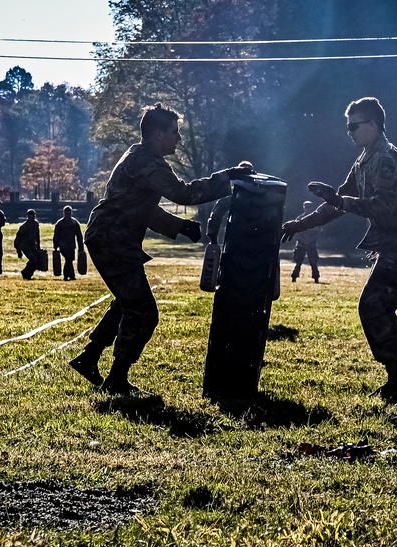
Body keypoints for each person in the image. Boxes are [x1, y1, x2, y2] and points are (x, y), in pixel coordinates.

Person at [69, 102, 251, 394]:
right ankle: (116, 380)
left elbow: (142, 209)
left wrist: (180, 227)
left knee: (127, 301)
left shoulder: (139, 156)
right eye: (174, 132)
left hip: (111, 238)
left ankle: (90, 357)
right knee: (143, 312)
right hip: (112, 241)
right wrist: (227, 178)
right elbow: (183, 192)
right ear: (157, 135)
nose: (178, 138)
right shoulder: (147, 163)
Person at [281, 97, 397, 403]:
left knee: (373, 305)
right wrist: (299, 225)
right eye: (347, 127)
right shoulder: (365, 159)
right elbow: (338, 203)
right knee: (375, 306)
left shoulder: (386, 159)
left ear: (372, 125)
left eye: (354, 126)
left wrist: (339, 201)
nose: (349, 132)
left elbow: (382, 207)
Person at [289, 200, 321, 283]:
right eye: (306, 207)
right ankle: (294, 276)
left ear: (311, 208)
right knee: (298, 262)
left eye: (309, 207)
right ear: (303, 208)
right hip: (301, 244)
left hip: (312, 244)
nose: (307, 209)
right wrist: (302, 240)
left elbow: (318, 232)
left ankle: (316, 277)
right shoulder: (299, 219)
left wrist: (311, 240)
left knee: (313, 262)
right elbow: (296, 232)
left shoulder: (315, 219)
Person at [53, 205, 84, 281]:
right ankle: (69, 275)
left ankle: (69, 275)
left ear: (71, 213)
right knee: (68, 259)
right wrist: (56, 246)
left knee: (70, 260)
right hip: (63, 245)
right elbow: (56, 235)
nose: (67, 215)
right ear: (64, 213)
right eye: (66, 213)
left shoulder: (74, 223)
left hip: (71, 245)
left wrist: (81, 247)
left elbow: (79, 236)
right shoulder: (60, 224)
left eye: (69, 213)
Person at [15, 209, 43, 280]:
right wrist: (18, 250)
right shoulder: (23, 227)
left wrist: (38, 246)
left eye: (33, 217)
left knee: (38, 260)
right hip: (25, 246)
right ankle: (25, 272)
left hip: (32, 245)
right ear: (27, 217)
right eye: (30, 217)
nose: (32, 219)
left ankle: (28, 274)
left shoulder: (36, 224)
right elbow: (18, 239)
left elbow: (37, 235)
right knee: (34, 259)